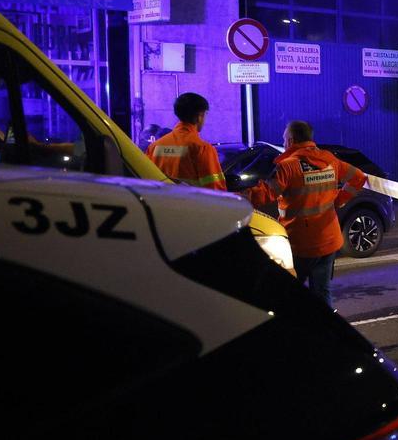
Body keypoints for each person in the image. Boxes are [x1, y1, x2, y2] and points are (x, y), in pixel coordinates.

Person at [244, 120, 366, 307]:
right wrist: (339, 200)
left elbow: (263, 194)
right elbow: (358, 178)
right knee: (322, 293)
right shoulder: (330, 161)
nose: (283, 142)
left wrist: (231, 198)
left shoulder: (288, 167)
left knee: (288, 295)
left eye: (284, 138)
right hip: (328, 241)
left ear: (291, 141)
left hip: (300, 243)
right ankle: (325, 332)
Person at [146, 93, 225, 190]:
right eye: (205, 114)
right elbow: (216, 190)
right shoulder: (202, 148)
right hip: (192, 204)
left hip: (160, 203)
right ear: (199, 116)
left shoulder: (154, 147)